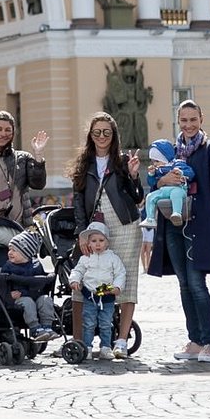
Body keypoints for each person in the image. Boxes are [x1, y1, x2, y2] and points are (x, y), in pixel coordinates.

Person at [147, 101, 210, 365]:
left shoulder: (208, 148)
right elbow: (154, 183)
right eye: (184, 120)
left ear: (201, 119)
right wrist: (161, 180)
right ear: (177, 121)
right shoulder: (171, 150)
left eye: (193, 119)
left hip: (201, 222)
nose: (188, 125)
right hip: (173, 223)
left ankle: (209, 343)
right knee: (183, 284)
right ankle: (194, 340)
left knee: (196, 283)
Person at [69, 111, 144, 360]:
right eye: (97, 132)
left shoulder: (122, 161)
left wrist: (134, 176)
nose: (102, 137)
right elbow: (78, 202)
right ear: (91, 135)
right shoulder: (83, 164)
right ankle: (82, 340)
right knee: (87, 276)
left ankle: (121, 341)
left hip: (125, 225)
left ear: (114, 136)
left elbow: (136, 198)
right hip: (95, 227)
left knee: (125, 281)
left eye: (107, 132)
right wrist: (82, 232)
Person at [69, 222, 126, 360]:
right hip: (91, 296)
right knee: (88, 323)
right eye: (94, 241)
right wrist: (74, 280)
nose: (98, 244)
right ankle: (87, 347)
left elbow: (120, 273)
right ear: (88, 244)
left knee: (106, 323)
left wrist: (117, 287)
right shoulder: (85, 258)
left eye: (101, 241)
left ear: (107, 242)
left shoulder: (113, 258)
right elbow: (78, 270)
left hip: (107, 295)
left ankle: (105, 347)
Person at [0, 229, 57, 340]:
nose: (10, 253)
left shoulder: (36, 265)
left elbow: (42, 282)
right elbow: (3, 284)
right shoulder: (8, 267)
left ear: (26, 253)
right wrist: (9, 294)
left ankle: (47, 326)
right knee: (28, 302)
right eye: (9, 249)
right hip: (19, 298)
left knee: (46, 300)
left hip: (36, 295)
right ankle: (35, 328)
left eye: (14, 250)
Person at [141, 140, 194, 227]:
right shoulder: (158, 170)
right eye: (153, 161)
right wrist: (151, 175)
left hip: (178, 189)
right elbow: (152, 183)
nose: (154, 164)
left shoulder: (177, 164)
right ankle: (150, 218)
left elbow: (190, 173)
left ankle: (177, 213)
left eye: (157, 161)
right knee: (150, 196)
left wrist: (181, 172)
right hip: (164, 190)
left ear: (164, 158)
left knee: (175, 194)